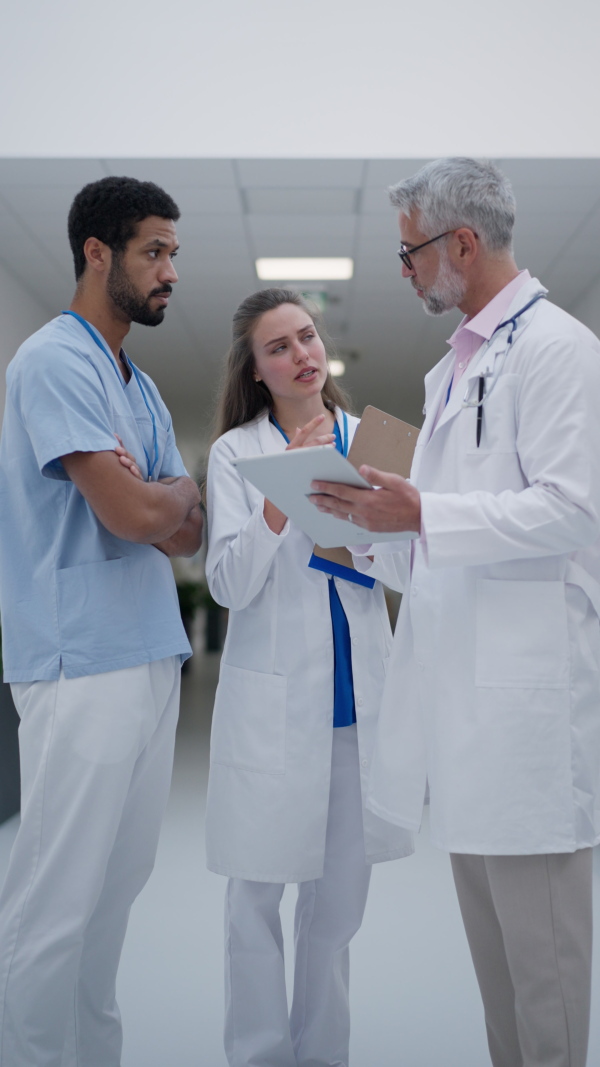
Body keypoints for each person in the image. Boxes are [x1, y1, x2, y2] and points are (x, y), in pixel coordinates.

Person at [310, 157, 600, 1067]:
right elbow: (434, 553)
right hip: (467, 730)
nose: (404, 270)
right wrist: (365, 532)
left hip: (528, 733)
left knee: (546, 986)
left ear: (461, 243)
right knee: (501, 993)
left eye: (410, 253)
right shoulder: (452, 374)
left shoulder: (559, 349)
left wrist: (424, 512)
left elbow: (574, 510)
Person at [0, 176, 202, 1067]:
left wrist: (163, 494)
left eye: (172, 255)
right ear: (97, 253)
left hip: (150, 656)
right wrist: (157, 497)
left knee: (112, 903)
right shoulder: (54, 360)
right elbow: (132, 517)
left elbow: (185, 525)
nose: (168, 272)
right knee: (54, 907)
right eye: (154, 251)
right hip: (79, 661)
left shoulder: (140, 384)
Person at [204, 287, 413, 1067]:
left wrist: (361, 533)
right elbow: (228, 583)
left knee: (337, 909)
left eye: (307, 337)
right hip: (273, 704)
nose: (302, 355)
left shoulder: (376, 440)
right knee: (255, 897)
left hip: (356, 707)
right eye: (279, 347)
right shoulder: (235, 454)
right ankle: (258, 1056)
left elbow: (411, 566)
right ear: (256, 371)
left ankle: (322, 1054)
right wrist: (280, 504)